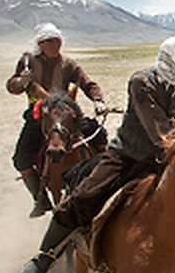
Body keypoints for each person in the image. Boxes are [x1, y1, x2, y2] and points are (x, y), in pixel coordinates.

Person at [18, 35, 175, 273]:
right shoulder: (143, 82)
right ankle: (45, 257)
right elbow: (158, 128)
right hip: (128, 155)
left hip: (167, 160)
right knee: (85, 196)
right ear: (174, 58)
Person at [6, 22, 106, 217]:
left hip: (66, 116)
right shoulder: (28, 62)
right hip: (39, 118)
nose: (54, 45)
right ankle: (41, 199)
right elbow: (12, 86)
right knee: (21, 159)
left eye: (57, 41)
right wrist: (21, 82)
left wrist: (98, 100)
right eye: (49, 42)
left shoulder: (69, 64)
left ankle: (103, 180)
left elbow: (87, 82)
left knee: (98, 134)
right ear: (40, 44)